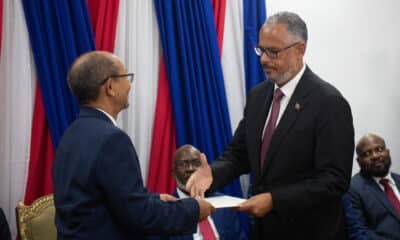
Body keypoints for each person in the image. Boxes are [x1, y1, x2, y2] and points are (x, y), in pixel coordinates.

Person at [186, 11, 354, 239]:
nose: (263, 59)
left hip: (310, 231)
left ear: (300, 50)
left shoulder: (329, 103)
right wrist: (212, 175)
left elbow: (334, 180)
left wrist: (275, 200)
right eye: (261, 50)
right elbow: (239, 154)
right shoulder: (258, 96)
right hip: (264, 231)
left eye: (273, 52)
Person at [52, 51, 214, 240]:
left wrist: (154, 200)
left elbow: (105, 199)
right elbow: (140, 216)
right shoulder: (112, 140)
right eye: (126, 77)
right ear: (110, 86)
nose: (129, 85)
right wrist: (193, 209)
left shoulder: (71, 133)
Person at [152, 144, 246, 240]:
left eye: (196, 163)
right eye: (184, 164)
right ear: (173, 172)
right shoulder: (165, 211)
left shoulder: (225, 205)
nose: (191, 168)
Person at [348, 133, 400, 239]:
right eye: (367, 154)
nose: (375, 156)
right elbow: (361, 231)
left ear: (388, 152)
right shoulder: (353, 189)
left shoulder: (398, 179)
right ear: (359, 161)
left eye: (379, 149)